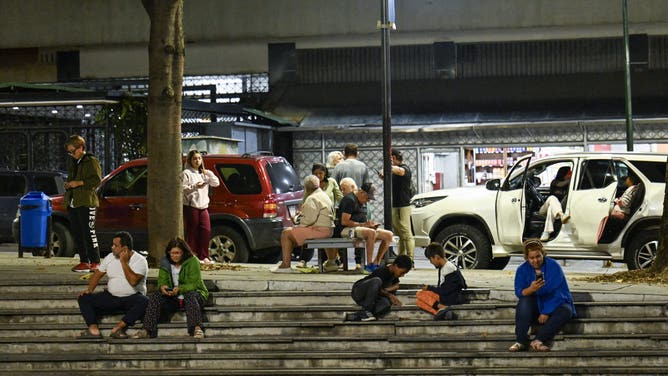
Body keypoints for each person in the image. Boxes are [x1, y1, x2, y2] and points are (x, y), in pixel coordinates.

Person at [76, 231, 149, 339]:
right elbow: (97, 274)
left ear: (125, 248)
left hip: (131, 299)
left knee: (145, 301)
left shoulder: (140, 260)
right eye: (112, 244)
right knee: (84, 298)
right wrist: (89, 290)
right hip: (111, 297)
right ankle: (93, 330)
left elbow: (133, 281)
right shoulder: (110, 257)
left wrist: (123, 262)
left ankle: (119, 328)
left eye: (115, 245)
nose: (112, 247)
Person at [132, 237, 208, 339]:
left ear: (183, 252)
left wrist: (180, 289)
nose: (174, 256)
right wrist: (163, 287)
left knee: (190, 296)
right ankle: (146, 329)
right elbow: (162, 281)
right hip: (174, 295)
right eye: (172, 253)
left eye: (177, 253)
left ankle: (197, 329)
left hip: (194, 293)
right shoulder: (165, 262)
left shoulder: (192, 261)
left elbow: (195, 283)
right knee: (156, 296)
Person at [509, 239, 576, 352]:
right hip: (535, 305)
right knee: (524, 302)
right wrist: (531, 289)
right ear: (527, 258)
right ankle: (520, 340)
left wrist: (546, 311)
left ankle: (538, 340)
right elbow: (519, 292)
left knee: (566, 310)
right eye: (532, 258)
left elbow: (559, 293)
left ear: (542, 254)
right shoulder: (522, 269)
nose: (535, 260)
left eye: (538, 256)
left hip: (554, 304)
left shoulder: (553, 266)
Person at [272, 175, 335, 272]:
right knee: (291, 233)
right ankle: (286, 262)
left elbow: (308, 220)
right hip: (328, 230)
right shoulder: (323, 195)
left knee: (286, 233)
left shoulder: (312, 198)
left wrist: (296, 219)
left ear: (306, 188)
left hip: (320, 230)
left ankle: (285, 265)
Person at [64, 135, 102, 273]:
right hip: (74, 201)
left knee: (89, 232)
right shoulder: (75, 163)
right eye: (70, 152)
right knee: (78, 233)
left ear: (81, 148)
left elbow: (97, 180)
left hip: (87, 201)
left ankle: (96, 261)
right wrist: (69, 185)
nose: (72, 154)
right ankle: (84, 261)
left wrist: (78, 183)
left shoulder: (91, 161)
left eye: (73, 151)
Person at [336, 182, 394, 273]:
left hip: (359, 227)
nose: (368, 201)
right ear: (362, 192)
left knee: (389, 235)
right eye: (367, 198)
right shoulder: (350, 200)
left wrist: (370, 225)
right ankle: (369, 264)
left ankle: (376, 263)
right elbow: (344, 221)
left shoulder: (363, 202)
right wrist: (364, 225)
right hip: (345, 229)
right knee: (371, 233)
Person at [295, 163, 343, 270]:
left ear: (325, 173)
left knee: (328, 235)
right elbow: (305, 199)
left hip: (328, 216)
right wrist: (301, 211)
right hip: (313, 215)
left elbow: (339, 197)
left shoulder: (331, 182)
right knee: (307, 231)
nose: (318, 176)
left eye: (320, 173)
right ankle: (303, 260)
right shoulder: (311, 184)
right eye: (315, 173)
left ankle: (330, 261)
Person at [344, 254, 413, 321]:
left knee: (386, 304)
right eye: (402, 272)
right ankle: (366, 311)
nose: (402, 275)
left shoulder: (394, 277)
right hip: (359, 291)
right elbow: (376, 287)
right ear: (396, 266)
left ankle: (359, 316)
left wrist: (389, 292)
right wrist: (389, 294)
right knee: (376, 281)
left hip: (370, 299)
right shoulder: (383, 271)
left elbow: (391, 288)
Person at [183, 150, 220, 264]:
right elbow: (183, 188)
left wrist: (208, 173)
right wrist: (195, 186)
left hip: (203, 206)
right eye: (194, 158)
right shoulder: (186, 173)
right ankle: (192, 255)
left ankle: (204, 256)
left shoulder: (203, 173)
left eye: (199, 158)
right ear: (190, 160)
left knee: (206, 231)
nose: (197, 161)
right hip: (191, 206)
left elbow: (216, 183)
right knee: (192, 232)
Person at [417, 242, 467, 320]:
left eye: (431, 259)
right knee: (419, 302)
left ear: (436, 257)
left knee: (420, 294)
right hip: (445, 297)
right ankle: (444, 313)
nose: (431, 262)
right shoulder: (443, 267)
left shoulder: (449, 268)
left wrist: (429, 288)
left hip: (451, 298)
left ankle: (444, 308)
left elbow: (446, 290)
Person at [389, 149, 415, 260]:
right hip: (395, 204)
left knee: (406, 232)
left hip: (404, 204)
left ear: (393, 157)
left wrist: (387, 165)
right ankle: (401, 257)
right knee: (399, 233)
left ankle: (410, 259)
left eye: (390, 158)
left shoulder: (405, 169)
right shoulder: (394, 171)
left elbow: (400, 171)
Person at [539, 166, 572, 241]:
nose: (570, 174)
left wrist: (570, 180)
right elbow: (560, 184)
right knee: (552, 198)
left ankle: (546, 232)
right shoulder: (554, 182)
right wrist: (570, 180)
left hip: (556, 210)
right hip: (544, 209)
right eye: (569, 173)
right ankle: (562, 215)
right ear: (563, 174)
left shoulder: (570, 184)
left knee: (551, 208)